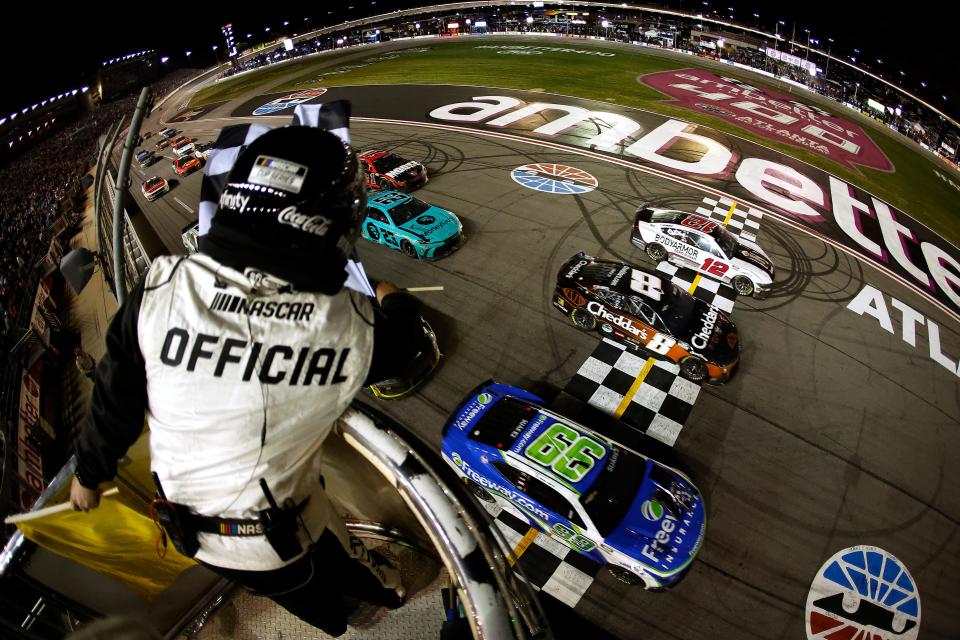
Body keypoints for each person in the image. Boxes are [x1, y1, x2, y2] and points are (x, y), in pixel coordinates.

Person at [69, 119, 423, 636]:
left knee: (300, 600)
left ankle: (335, 628)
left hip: (194, 535)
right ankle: (387, 591)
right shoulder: (350, 324)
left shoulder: (160, 287)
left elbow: (114, 397)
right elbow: (410, 346)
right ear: (337, 217)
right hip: (286, 528)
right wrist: (393, 296)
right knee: (339, 557)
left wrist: (88, 474)